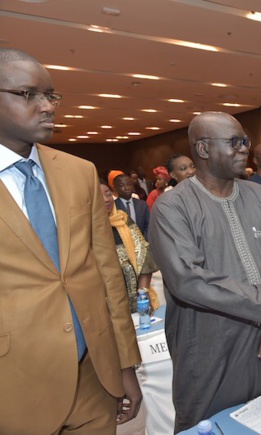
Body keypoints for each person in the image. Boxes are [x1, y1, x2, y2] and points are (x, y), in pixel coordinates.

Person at [148, 111, 261, 432]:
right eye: (235, 142)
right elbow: (188, 280)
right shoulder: (173, 207)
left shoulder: (259, 195)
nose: (244, 149)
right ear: (202, 149)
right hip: (209, 349)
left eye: (245, 141)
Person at [0, 48, 141, 434]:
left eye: (51, 95)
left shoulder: (79, 172)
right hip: (13, 388)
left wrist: (125, 363)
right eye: (29, 94)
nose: (47, 107)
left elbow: (107, 274)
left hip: (95, 379)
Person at [100, 179, 159, 313]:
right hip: (106, 307)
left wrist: (143, 294)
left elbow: (143, 257)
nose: (106, 199)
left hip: (136, 303)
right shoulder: (84, 229)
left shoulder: (123, 220)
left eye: (108, 194)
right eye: (99, 196)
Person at [113, 173, 150, 239]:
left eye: (129, 184)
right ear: (115, 188)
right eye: (122, 185)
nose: (127, 188)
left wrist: (143, 242)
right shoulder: (113, 206)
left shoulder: (142, 205)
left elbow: (148, 226)